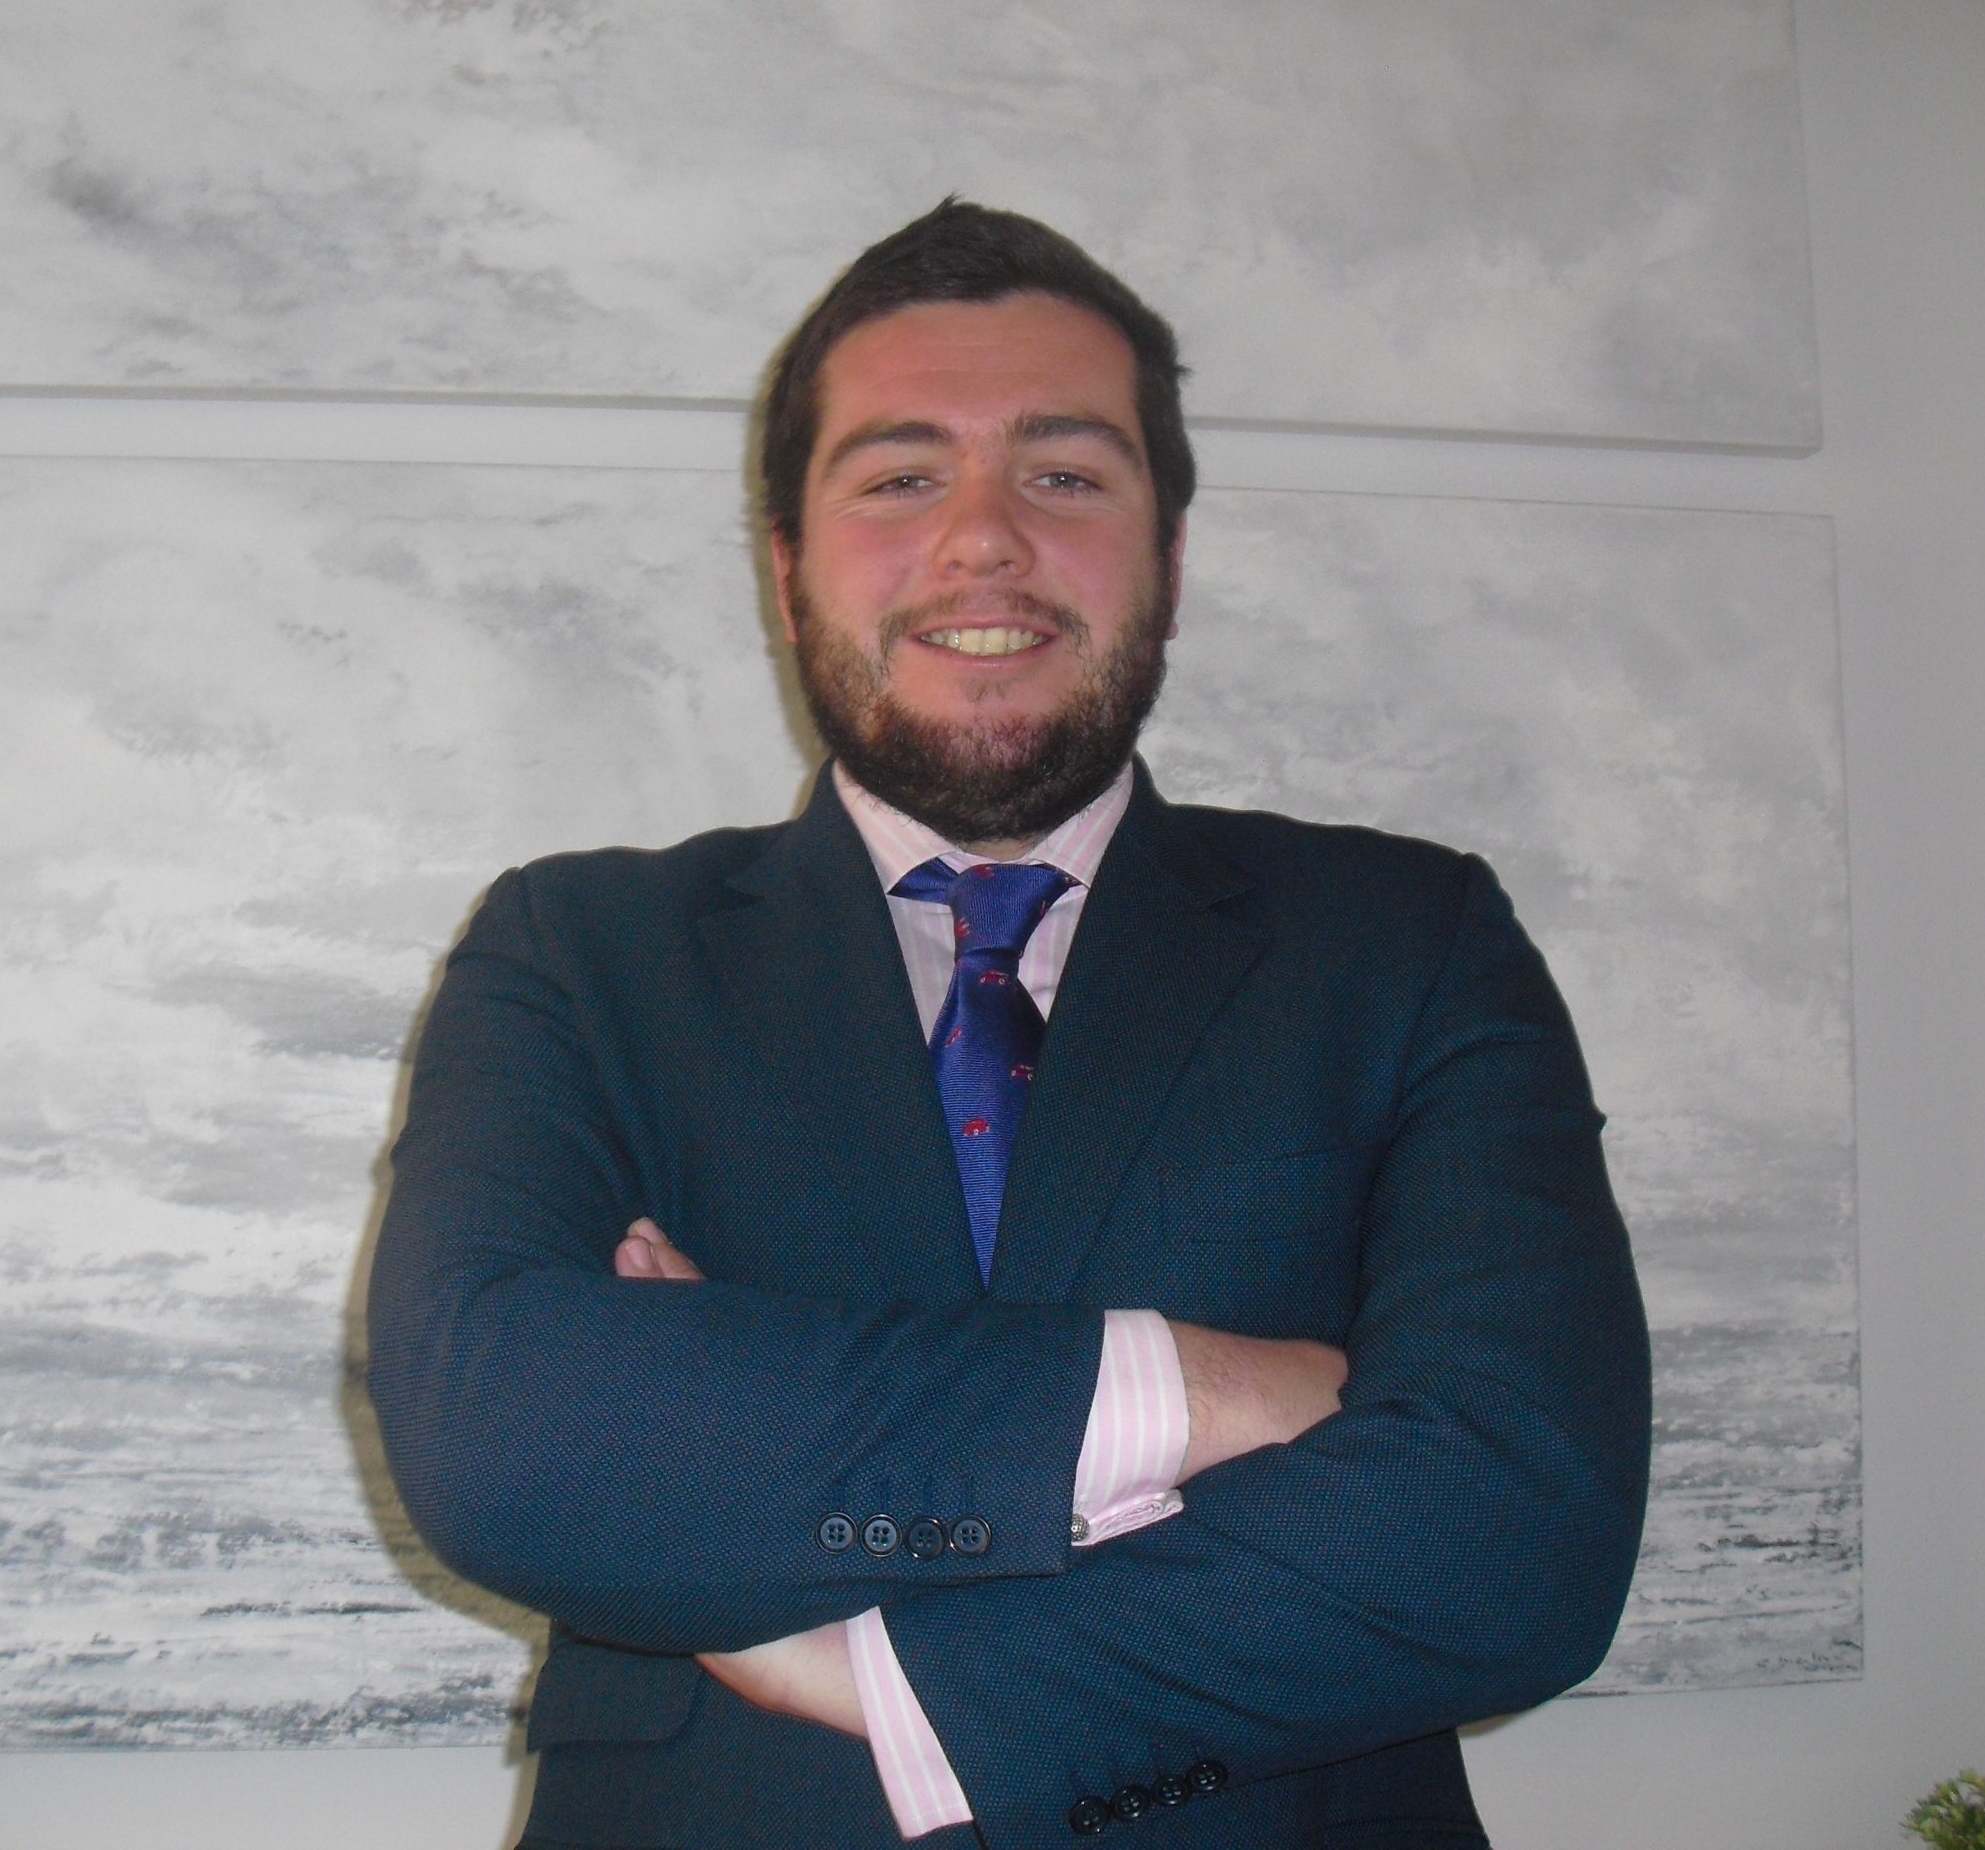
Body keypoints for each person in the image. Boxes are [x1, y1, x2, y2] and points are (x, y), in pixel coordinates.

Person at [367, 199, 1651, 1850]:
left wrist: (883, 1679)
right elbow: (499, 1440)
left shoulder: (1411, 939)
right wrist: (1203, 1393)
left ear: (1168, 563)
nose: (984, 540)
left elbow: (1519, 1538)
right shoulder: (575, 950)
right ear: (785, 571)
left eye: (1066, 475)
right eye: (902, 478)